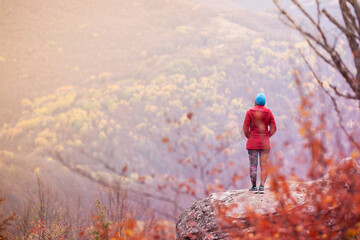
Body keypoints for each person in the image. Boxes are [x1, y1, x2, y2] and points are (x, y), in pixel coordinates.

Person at [242, 93, 276, 194]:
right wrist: (266, 136)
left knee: (253, 165)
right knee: (264, 165)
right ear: (264, 102)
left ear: (255, 101)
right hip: (264, 143)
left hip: (252, 143)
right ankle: (261, 187)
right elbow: (274, 128)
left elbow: (245, 128)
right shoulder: (269, 112)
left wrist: (250, 136)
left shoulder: (249, 112)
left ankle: (253, 187)